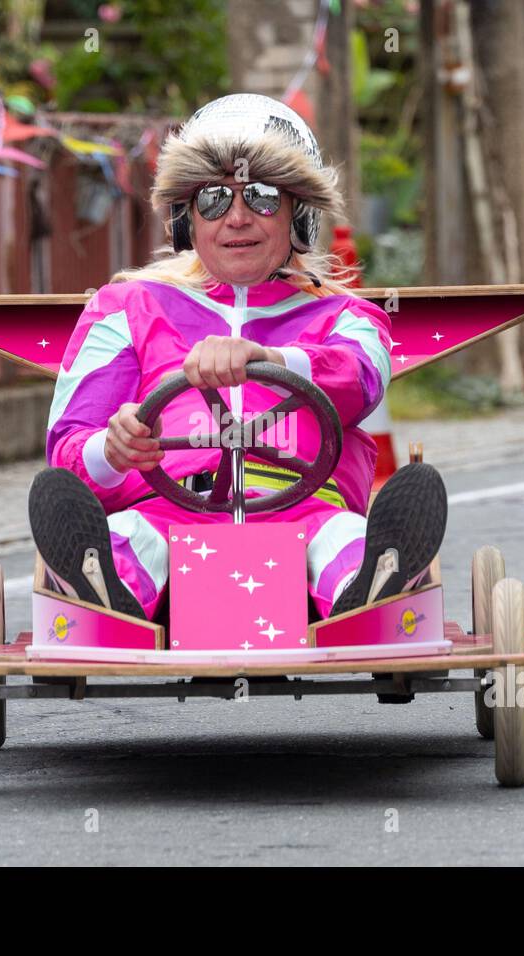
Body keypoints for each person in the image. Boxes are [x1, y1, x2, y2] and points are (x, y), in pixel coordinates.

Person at [29, 93, 447, 623]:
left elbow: (361, 379)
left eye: (264, 197)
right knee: (126, 539)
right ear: (186, 220)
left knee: (343, 540)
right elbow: (65, 451)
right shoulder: (124, 308)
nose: (238, 219)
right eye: (213, 200)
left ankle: (370, 586)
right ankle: (104, 590)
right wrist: (110, 450)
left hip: (308, 508)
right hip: (165, 509)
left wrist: (269, 357)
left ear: (301, 214)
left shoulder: (349, 317)